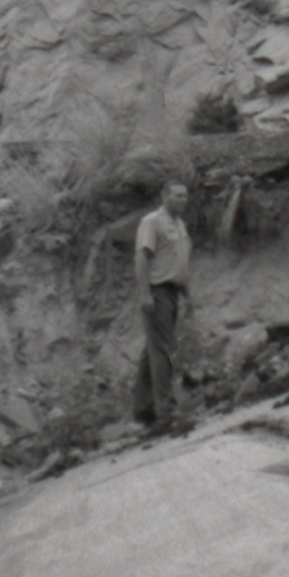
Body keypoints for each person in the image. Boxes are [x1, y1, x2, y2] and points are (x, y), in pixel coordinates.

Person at [132, 179, 191, 430]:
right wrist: (145, 293)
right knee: (164, 351)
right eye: (177, 195)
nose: (182, 200)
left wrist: (188, 295)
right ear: (164, 196)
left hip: (173, 292)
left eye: (185, 196)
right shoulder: (152, 222)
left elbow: (180, 263)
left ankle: (143, 408)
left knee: (152, 351)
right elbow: (142, 257)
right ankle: (167, 411)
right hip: (157, 292)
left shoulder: (180, 226)